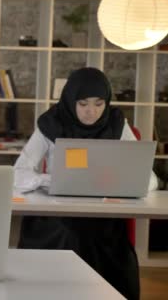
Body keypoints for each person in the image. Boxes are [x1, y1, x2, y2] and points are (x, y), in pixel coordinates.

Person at [14, 67, 157, 300]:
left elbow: (148, 178)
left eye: (99, 104)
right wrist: (49, 180)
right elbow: (18, 173)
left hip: (101, 214)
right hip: (56, 215)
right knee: (70, 234)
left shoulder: (116, 124)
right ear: (71, 101)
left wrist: (126, 183)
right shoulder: (51, 123)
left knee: (99, 236)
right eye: (83, 104)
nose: (92, 112)